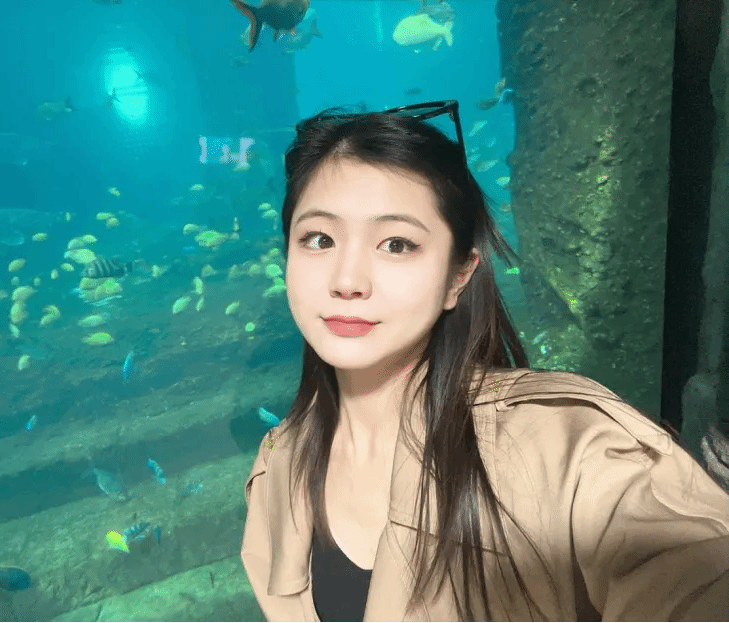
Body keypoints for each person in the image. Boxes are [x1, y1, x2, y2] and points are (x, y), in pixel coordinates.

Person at [240, 101, 729, 621]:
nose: (347, 280)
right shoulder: (278, 465)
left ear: (458, 276)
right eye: (319, 239)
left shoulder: (570, 446)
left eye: (397, 244)